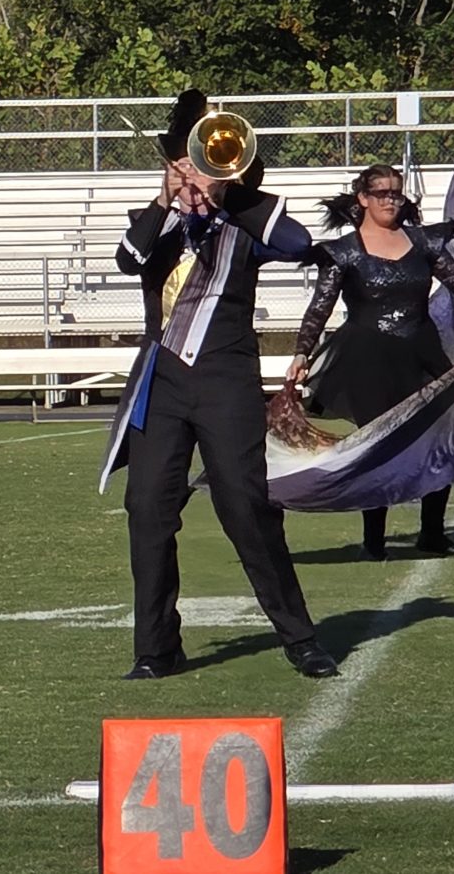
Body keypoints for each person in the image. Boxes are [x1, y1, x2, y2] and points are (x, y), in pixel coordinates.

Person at [99, 90, 338, 681]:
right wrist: (165, 199)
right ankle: (156, 649)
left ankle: (300, 637)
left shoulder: (244, 224)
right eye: (187, 164)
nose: (193, 176)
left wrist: (226, 194)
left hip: (226, 382)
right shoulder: (156, 225)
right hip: (161, 386)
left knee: (245, 507)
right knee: (147, 509)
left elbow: (299, 244)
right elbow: (128, 261)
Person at [287, 164, 454, 560]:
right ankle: (374, 542)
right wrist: (302, 351)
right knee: (379, 446)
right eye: (382, 193)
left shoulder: (423, 243)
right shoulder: (344, 252)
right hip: (368, 360)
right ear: (363, 199)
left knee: (439, 438)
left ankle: (433, 534)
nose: (390, 200)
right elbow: (319, 306)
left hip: (422, 351)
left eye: (396, 193)